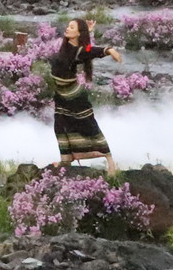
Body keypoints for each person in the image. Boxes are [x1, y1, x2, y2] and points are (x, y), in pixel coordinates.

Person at [48, 18, 121, 174]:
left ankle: (110, 160)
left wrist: (109, 50)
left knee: (88, 126)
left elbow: (89, 51)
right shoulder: (68, 47)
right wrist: (89, 32)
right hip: (61, 95)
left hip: (74, 97)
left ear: (77, 33)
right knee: (60, 126)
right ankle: (66, 160)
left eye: (71, 27)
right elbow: (87, 47)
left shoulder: (78, 52)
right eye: (68, 25)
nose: (67, 28)